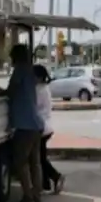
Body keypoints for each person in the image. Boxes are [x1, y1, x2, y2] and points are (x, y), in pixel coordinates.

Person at [4, 44, 44, 202]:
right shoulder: (30, 70)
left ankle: (28, 197)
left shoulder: (19, 70)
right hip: (36, 123)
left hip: (25, 125)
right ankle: (36, 196)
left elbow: (11, 91)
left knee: (20, 162)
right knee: (35, 163)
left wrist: (0, 92)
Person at [33, 64, 65, 194]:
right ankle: (45, 183)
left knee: (39, 158)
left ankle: (56, 176)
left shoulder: (39, 90)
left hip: (41, 127)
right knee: (41, 156)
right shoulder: (43, 88)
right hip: (45, 127)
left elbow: (33, 105)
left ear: (39, 77)